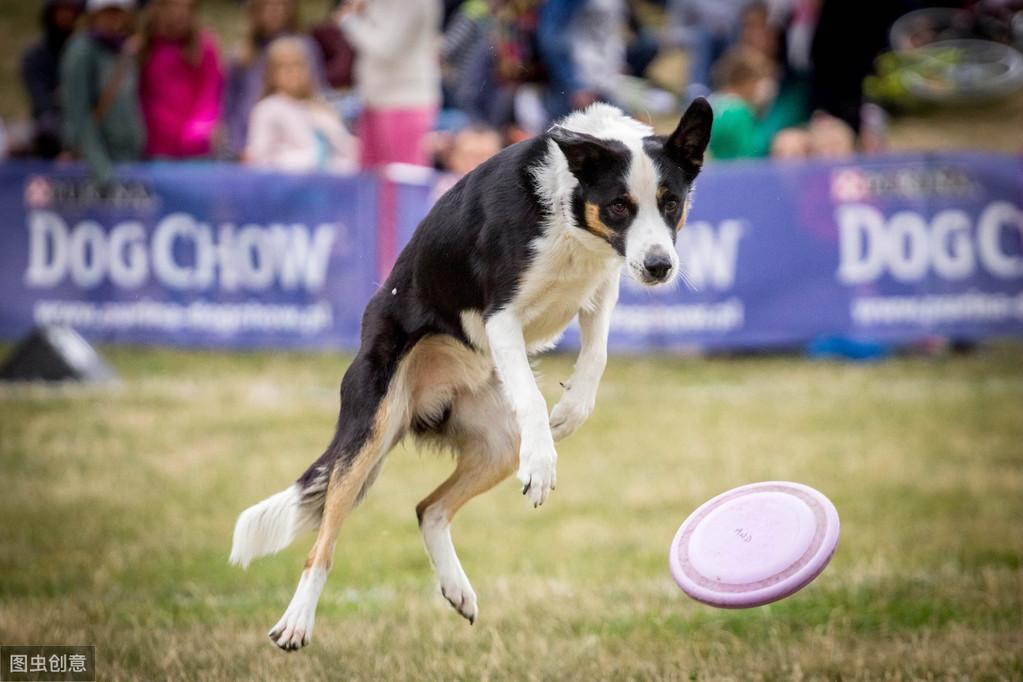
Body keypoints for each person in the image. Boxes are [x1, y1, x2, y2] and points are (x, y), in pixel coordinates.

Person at [337, 0, 442, 168]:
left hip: (406, 103)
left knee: (404, 181)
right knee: (369, 181)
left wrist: (349, 21)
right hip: (372, 101)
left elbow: (386, 48)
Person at [224, 0, 326, 158]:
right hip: (249, 148)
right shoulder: (242, 55)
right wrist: (239, 146)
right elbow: (230, 106)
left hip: (296, 149)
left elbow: (318, 94)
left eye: (280, 4)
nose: (274, 10)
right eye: (268, 4)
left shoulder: (305, 47)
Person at [244, 37, 358, 172]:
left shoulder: (320, 109)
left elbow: (345, 147)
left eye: (298, 65)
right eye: (284, 66)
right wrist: (307, 159)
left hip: (329, 181)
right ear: (271, 74)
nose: (292, 72)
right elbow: (259, 158)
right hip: (290, 183)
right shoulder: (267, 109)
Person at [61, 0, 145, 183]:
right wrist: (101, 168)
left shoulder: (124, 50)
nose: (113, 19)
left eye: (118, 12)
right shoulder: (81, 50)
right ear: (94, 14)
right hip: (97, 169)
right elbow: (78, 113)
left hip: (127, 160)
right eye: (107, 12)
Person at [138, 0, 224, 158]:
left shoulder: (205, 46)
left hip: (196, 150)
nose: (180, 13)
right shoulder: (143, 47)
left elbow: (210, 94)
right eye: (173, 6)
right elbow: (140, 96)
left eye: (188, 7)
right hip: (155, 147)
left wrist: (197, 130)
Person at [21, 0, 85, 158]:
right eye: (61, 10)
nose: (66, 16)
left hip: (86, 130)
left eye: (70, 11)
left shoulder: (87, 54)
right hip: (51, 135)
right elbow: (42, 101)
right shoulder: (35, 56)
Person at [706, 47, 778, 160]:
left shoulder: (713, 103)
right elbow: (749, 154)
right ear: (746, 81)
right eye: (758, 80)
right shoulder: (740, 112)